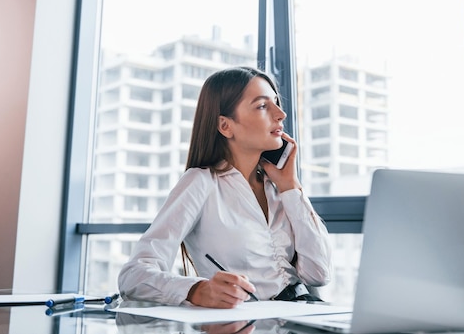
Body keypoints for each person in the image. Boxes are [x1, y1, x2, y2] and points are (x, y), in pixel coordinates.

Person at [118, 66, 332, 309]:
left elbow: (319, 273)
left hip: (302, 314)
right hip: (247, 324)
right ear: (225, 126)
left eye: (276, 103)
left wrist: (291, 188)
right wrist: (197, 290)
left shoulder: (279, 187)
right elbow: (133, 276)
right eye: (262, 106)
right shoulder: (201, 182)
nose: (281, 114)